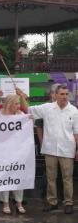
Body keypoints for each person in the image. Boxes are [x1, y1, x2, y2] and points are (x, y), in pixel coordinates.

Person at [28, 84, 78, 214]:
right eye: (62, 94)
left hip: (67, 149)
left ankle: (68, 202)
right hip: (50, 149)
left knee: (67, 177)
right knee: (51, 177)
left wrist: (77, 149)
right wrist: (22, 96)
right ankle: (52, 202)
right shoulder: (47, 108)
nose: (64, 97)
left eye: (66, 94)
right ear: (55, 95)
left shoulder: (74, 110)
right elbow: (29, 109)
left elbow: (76, 133)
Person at [0, 95, 27, 214]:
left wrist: (29, 119)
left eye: (19, 103)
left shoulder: (21, 115)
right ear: (9, 104)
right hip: (2, 151)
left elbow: (27, 128)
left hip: (17, 151)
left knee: (18, 176)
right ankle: (5, 203)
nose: (19, 106)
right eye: (16, 104)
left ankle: (19, 202)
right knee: (5, 177)